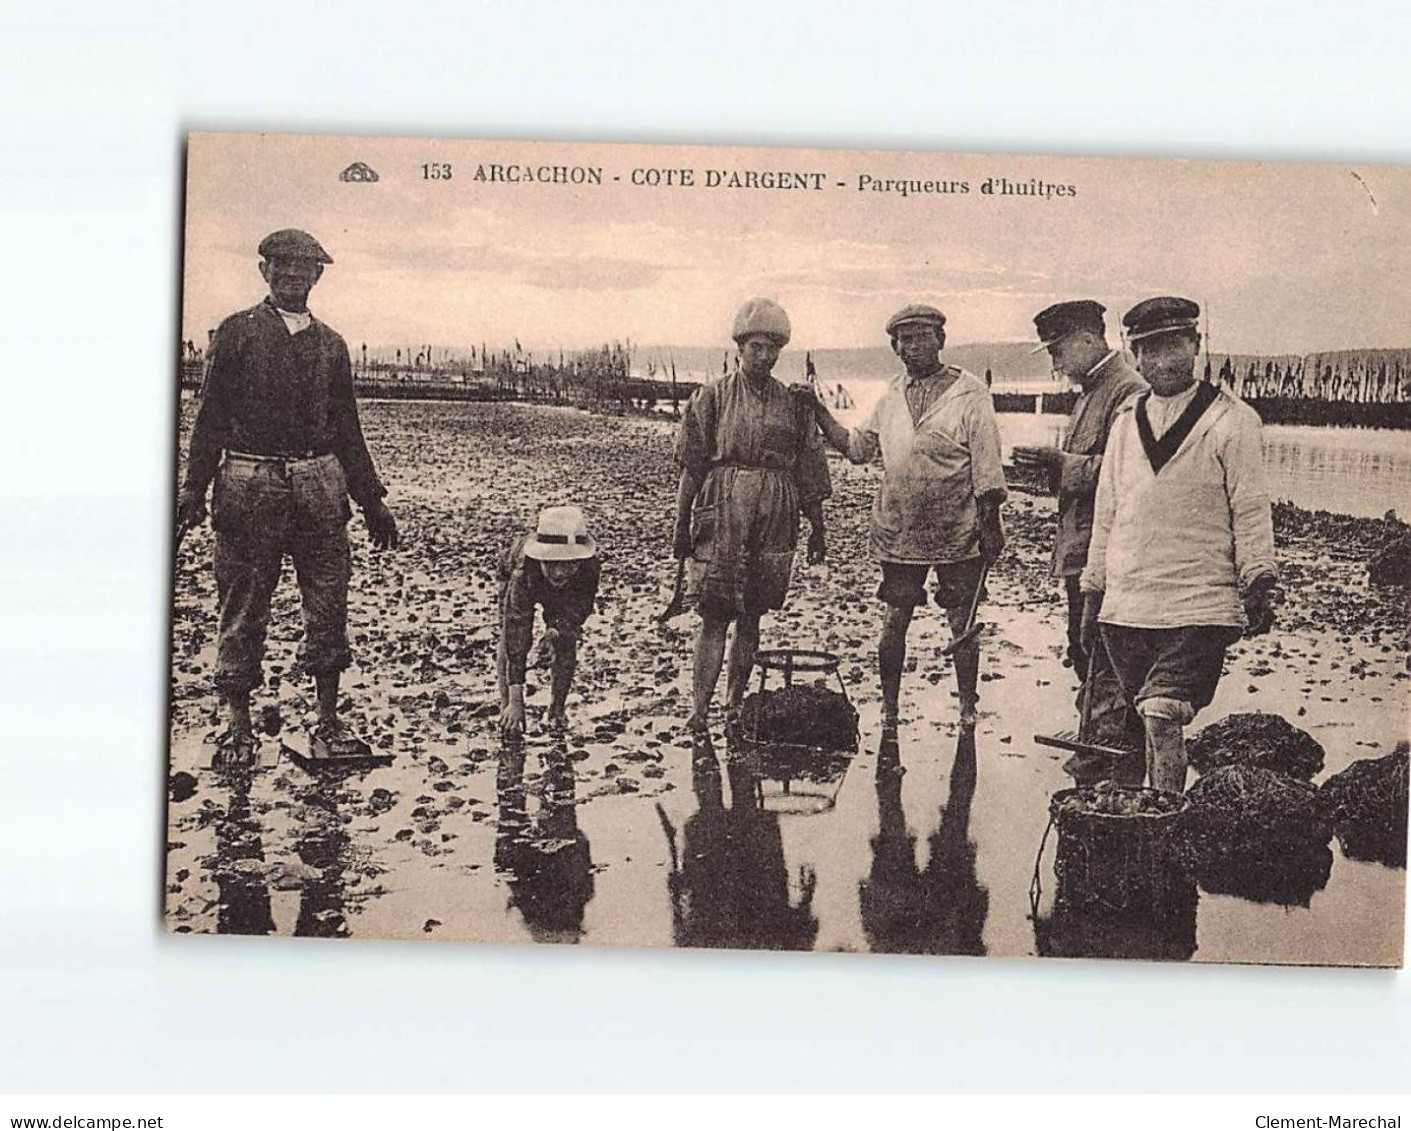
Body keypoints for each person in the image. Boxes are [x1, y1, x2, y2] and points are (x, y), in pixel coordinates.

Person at [175, 229, 400, 767]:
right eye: (283, 266)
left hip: (320, 489)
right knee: (244, 604)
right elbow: (208, 422)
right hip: (249, 487)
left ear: (318, 276)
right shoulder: (236, 334)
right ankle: (237, 726)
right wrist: (192, 490)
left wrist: (372, 501)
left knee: (328, 604)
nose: (294, 275)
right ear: (265, 272)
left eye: (305, 268)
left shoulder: (332, 345)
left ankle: (326, 719)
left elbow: (348, 428)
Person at [1080, 296, 1279, 793]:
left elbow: (1250, 507)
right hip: (1127, 606)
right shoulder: (1127, 421)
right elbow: (1107, 513)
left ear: (1195, 345)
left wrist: (1258, 577)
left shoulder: (1233, 421)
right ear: (1135, 356)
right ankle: (1151, 814)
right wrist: (1092, 590)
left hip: (1198, 605)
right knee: (1143, 717)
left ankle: (1166, 818)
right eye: (1147, 350)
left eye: (1173, 346)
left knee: (1162, 711)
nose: (1161, 361)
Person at [801, 304, 1006, 730]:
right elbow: (858, 449)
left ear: (940, 341)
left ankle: (967, 708)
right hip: (899, 529)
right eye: (904, 340)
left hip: (958, 529)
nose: (911, 346)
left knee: (961, 622)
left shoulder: (970, 394)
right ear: (895, 347)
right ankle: (890, 710)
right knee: (894, 620)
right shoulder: (892, 394)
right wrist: (819, 411)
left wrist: (990, 521)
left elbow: (987, 464)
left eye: (921, 337)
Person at [673, 298, 831, 734]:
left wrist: (817, 527)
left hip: (777, 510)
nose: (764, 356)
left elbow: (810, 467)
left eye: (772, 348)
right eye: (756, 347)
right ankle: (699, 710)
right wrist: (681, 524)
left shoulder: (794, 404)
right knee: (714, 611)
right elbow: (693, 465)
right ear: (740, 347)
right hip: (724, 505)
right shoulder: (713, 396)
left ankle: (734, 703)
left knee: (753, 614)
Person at [1013, 300, 1148, 781]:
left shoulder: (1127, 391)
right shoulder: (1093, 390)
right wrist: (1047, 471)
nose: (1055, 364)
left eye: (1057, 351)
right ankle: (1103, 744)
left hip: (1106, 547)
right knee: (1083, 643)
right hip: (1081, 543)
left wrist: (1058, 464)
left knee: (1103, 646)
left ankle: (1109, 755)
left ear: (1088, 341)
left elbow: (1126, 471)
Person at [496, 505, 601, 738]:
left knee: (566, 640)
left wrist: (554, 631)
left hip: (565, 591)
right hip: (516, 573)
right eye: (552, 563)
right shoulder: (522, 572)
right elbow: (516, 631)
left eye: (568, 563)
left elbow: (577, 614)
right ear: (541, 557)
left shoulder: (589, 569)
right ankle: (509, 707)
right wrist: (516, 699)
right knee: (508, 636)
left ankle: (557, 710)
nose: (560, 572)